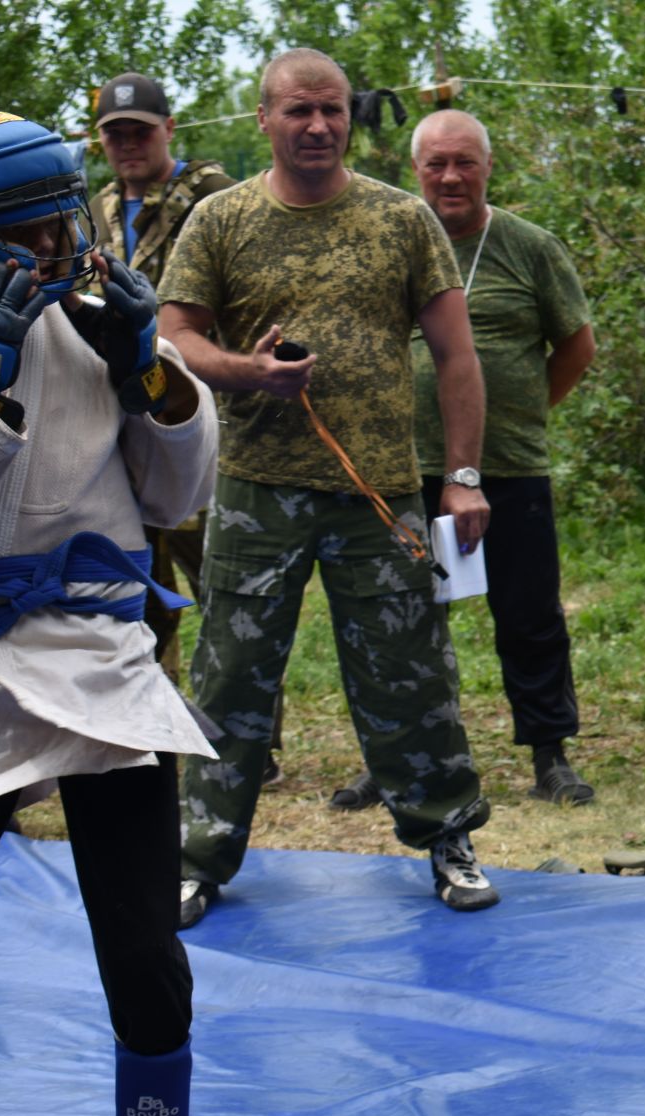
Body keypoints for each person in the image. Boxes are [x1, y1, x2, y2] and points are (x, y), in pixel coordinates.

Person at [160, 48, 499, 926]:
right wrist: (245, 372)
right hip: (255, 490)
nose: (318, 126)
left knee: (410, 675)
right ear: (263, 120)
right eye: (299, 112)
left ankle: (448, 840)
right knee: (230, 677)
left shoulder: (403, 220)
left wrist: (461, 478)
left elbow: (459, 358)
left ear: (352, 118)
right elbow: (175, 338)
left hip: (380, 496)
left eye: (333, 111)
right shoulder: (219, 220)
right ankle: (197, 858)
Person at [0, 111, 220, 1116]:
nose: (51, 254)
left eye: (58, 227)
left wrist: (149, 374)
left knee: (140, 935)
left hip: (96, 658)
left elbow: (178, 496)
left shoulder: (104, 324)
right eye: (24, 237)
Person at [328, 109, 598, 810]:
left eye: (465, 162)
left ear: (487, 166)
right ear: (415, 171)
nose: (450, 177)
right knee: (400, 619)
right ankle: (392, 759)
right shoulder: (388, 245)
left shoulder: (529, 247)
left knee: (529, 612)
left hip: (509, 466)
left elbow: (575, 347)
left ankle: (550, 755)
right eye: (435, 164)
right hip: (400, 468)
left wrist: (521, 415)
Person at [88, 73, 242, 693]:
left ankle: (244, 738)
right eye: (115, 134)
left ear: (169, 129)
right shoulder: (96, 209)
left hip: (195, 417)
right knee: (140, 585)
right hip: (120, 424)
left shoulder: (209, 196)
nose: (128, 144)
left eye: (140, 132)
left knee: (223, 585)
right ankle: (158, 716)